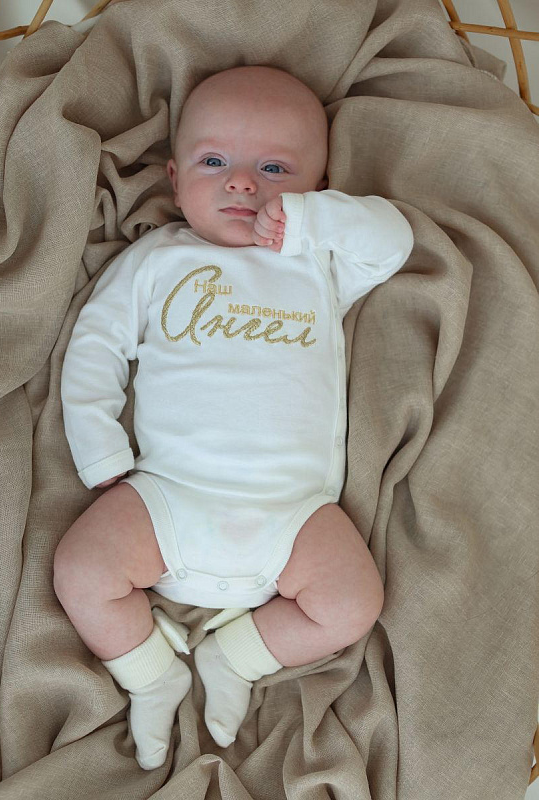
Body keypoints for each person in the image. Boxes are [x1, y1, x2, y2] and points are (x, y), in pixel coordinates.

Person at [54, 65, 414, 770]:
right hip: (167, 494)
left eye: (274, 169)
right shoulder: (157, 260)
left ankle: (237, 658)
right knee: (81, 568)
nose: (243, 183)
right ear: (174, 178)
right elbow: (95, 346)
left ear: (317, 186)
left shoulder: (318, 264)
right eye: (214, 162)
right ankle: (149, 674)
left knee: (352, 602)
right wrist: (99, 450)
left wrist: (313, 222)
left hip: (291, 513)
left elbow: (392, 242)